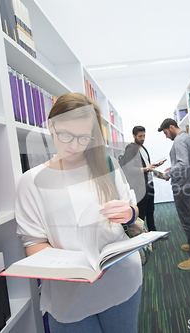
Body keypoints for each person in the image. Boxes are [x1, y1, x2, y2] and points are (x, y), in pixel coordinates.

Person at [15, 93, 142, 333]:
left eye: (83, 138)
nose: (74, 146)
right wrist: (74, 267)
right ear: (51, 126)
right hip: (70, 295)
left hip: (122, 280)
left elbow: (132, 209)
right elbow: (33, 243)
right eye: (65, 135)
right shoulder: (31, 182)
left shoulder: (107, 164)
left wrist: (130, 213)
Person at [158, 118, 190, 270]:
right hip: (189, 183)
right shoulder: (187, 137)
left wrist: (168, 174)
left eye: (166, 133)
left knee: (187, 220)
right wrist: (172, 167)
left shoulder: (178, 141)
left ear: (171, 127)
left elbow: (183, 164)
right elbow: (187, 161)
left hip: (181, 186)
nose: (166, 136)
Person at [120, 125, 164, 232]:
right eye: (140, 136)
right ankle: (141, 238)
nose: (143, 138)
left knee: (150, 211)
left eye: (144, 136)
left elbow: (145, 165)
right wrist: (147, 168)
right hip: (140, 187)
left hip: (149, 183)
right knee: (142, 214)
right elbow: (129, 169)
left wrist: (153, 166)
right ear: (134, 136)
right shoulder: (130, 149)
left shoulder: (142, 147)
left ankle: (154, 234)